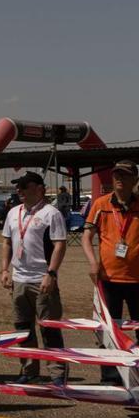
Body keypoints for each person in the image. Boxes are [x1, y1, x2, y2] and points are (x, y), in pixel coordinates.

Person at [1, 171, 67, 386]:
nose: (18, 190)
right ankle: (29, 370)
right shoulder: (13, 213)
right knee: (22, 328)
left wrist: (51, 273)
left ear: (39, 188)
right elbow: (7, 243)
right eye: (17, 186)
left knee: (49, 327)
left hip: (42, 279)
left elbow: (59, 244)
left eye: (24, 186)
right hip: (19, 279)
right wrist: (5, 270)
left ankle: (57, 373)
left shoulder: (51, 213)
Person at [82, 160, 139, 384]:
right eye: (116, 175)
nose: (119, 179)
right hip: (108, 279)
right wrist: (93, 262)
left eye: (124, 175)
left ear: (135, 180)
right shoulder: (101, 204)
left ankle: (135, 374)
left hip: (136, 280)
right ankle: (110, 377)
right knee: (109, 329)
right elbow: (87, 236)